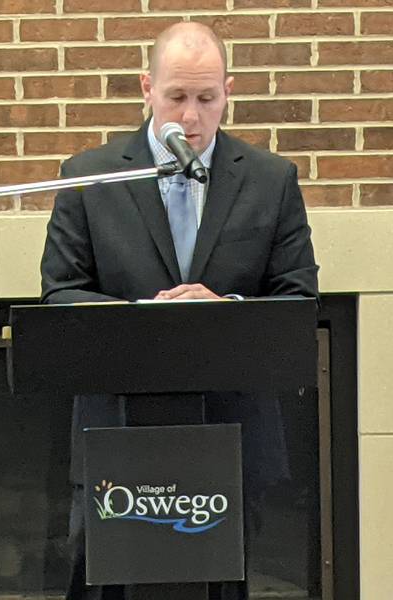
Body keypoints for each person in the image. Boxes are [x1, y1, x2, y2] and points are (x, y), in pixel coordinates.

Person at [39, 22, 319, 600]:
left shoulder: (270, 180)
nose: (191, 118)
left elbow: (298, 301)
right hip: (114, 435)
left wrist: (226, 308)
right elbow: (60, 294)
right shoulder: (92, 175)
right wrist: (145, 315)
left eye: (206, 98)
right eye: (177, 97)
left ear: (228, 92)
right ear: (147, 88)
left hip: (232, 437)